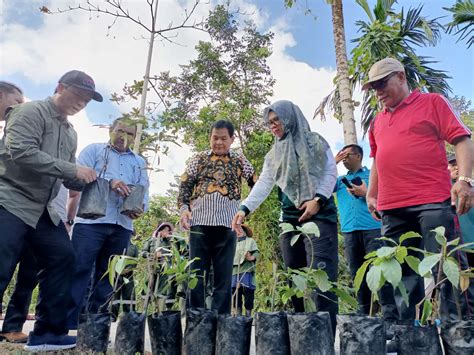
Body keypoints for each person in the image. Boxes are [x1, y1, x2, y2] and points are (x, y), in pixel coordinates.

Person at [363, 57, 473, 321]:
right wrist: (372, 193)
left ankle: (459, 336)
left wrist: (465, 180)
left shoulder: (432, 103)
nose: (378, 91)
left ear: (401, 77)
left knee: (447, 268)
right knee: (399, 276)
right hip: (392, 208)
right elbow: (378, 158)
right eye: (373, 87)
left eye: (382, 83)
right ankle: (406, 335)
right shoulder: (377, 121)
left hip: (432, 201)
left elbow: (462, 139)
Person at [0, 71, 101, 351]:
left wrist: (86, 178)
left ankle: (48, 333)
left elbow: (66, 176)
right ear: (59, 87)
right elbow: (21, 151)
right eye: (78, 95)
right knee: (2, 264)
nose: (81, 102)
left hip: (45, 210)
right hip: (11, 200)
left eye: (87, 100)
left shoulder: (70, 133)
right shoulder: (28, 112)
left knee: (63, 257)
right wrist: (72, 169)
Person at [232, 100, 339, 335]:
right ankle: (303, 335)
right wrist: (244, 208)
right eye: (269, 122)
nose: (273, 126)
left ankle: (326, 337)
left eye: (277, 120)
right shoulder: (274, 154)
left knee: (321, 277)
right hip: (290, 222)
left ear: (289, 118)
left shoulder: (315, 142)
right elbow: (264, 184)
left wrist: (318, 200)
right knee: (296, 278)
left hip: (320, 218)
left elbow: (331, 172)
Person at [66, 117, 149, 330]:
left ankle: (95, 326)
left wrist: (140, 208)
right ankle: (68, 324)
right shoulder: (93, 151)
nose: (123, 137)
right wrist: (107, 182)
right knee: (79, 270)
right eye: (120, 131)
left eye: (129, 133)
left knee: (108, 275)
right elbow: (75, 180)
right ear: (110, 130)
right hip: (90, 223)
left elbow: (143, 191)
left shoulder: (138, 163)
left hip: (122, 225)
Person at [178, 119, 257, 314]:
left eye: (223, 138)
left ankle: (221, 322)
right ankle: (195, 320)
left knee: (223, 277)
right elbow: (185, 186)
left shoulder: (239, 160)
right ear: (209, 138)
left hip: (227, 226)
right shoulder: (199, 159)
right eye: (215, 138)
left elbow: (256, 182)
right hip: (199, 225)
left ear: (232, 139)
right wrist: (184, 209)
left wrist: (245, 209)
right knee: (196, 274)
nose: (219, 142)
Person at [334, 144, 398, 321]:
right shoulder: (338, 181)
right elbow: (321, 183)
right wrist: (334, 162)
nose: (344, 159)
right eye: (342, 156)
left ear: (359, 156)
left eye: (347, 155)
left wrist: (365, 192)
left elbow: (387, 195)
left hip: (374, 230)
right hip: (349, 232)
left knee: (380, 271)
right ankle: (365, 315)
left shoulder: (373, 176)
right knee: (357, 273)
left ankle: (390, 317)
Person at [448, 154, 474, 267]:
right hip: (456, 245)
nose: (457, 167)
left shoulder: (471, 188)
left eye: (459, 164)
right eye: (453, 165)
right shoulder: (442, 189)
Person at [231, 224, 259, 317]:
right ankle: (238, 314)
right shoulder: (232, 243)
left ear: (244, 231)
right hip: (234, 271)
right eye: (236, 230)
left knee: (248, 292)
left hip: (247, 271)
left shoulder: (250, 241)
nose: (238, 232)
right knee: (235, 292)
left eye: (240, 229)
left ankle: (248, 314)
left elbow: (256, 252)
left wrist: (251, 257)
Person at [111, 239, 139, 321]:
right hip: (116, 275)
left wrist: (128, 270)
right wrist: (117, 270)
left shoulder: (134, 248)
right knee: (115, 295)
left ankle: (129, 315)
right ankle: (113, 316)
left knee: (129, 295)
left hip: (129, 275)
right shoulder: (116, 244)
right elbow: (113, 259)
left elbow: (135, 261)